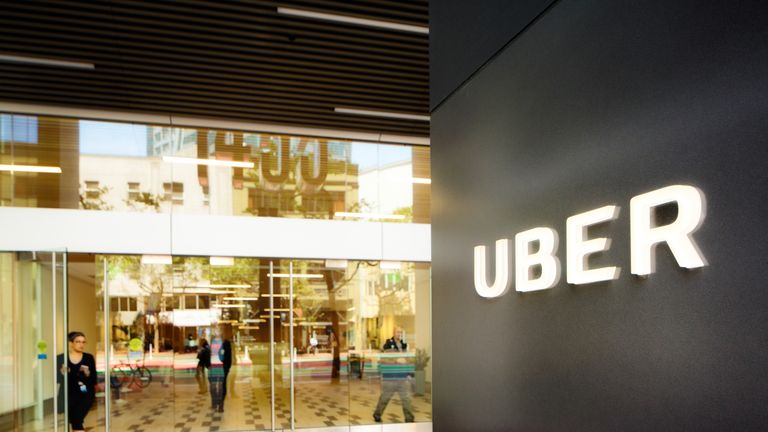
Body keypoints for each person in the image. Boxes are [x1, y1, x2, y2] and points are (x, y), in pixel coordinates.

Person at [373, 327, 414, 423]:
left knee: (406, 398)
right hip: (390, 378)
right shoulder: (387, 344)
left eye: (400, 332)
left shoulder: (404, 345)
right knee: (384, 398)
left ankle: (409, 419)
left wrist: (407, 362)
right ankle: (377, 414)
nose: (399, 334)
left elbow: (409, 359)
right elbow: (383, 359)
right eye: (397, 332)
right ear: (393, 333)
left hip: (402, 377)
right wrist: (396, 360)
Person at [57, 331, 97, 432]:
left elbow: (93, 379)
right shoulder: (61, 358)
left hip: (85, 393)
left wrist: (87, 374)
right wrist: (62, 373)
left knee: (76, 419)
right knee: (76, 421)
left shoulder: (88, 358)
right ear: (71, 343)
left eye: (83, 342)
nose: (81, 344)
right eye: (78, 341)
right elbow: (57, 379)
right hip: (68, 393)